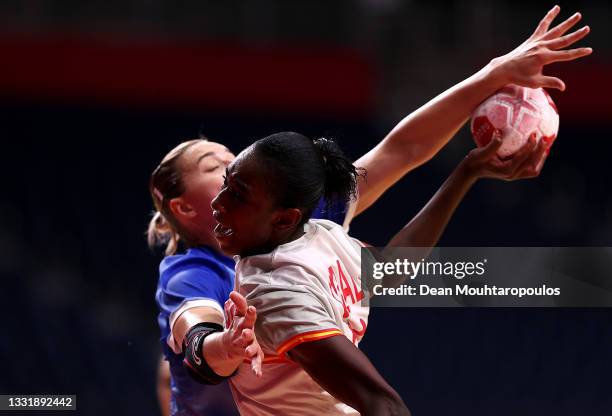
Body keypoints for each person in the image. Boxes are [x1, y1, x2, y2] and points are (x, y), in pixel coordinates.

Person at [149, 5, 591, 415]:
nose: (229, 172)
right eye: (218, 171)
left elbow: (403, 151)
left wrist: (494, 78)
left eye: (233, 165)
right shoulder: (197, 273)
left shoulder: (309, 230)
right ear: (184, 208)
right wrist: (225, 346)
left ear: (285, 216)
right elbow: (197, 332)